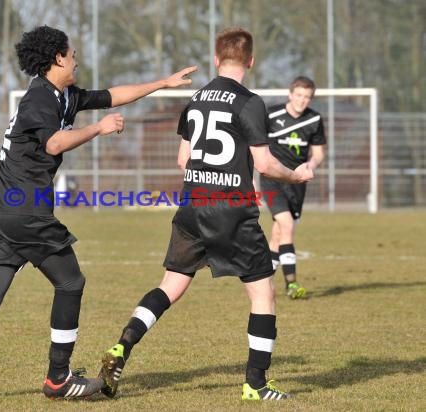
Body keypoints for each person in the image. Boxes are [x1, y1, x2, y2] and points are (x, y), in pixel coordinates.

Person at [0, 25, 197, 399]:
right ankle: (58, 378)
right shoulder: (39, 101)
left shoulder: (62, 95)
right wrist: (98, 128)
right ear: (57, 59)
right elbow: (54, 143)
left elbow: (112, 96)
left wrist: (162, 83)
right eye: (72, 52)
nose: (77, 57)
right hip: (24, 212)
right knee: (71, 282)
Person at [97, 27, 313, 401]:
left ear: (216, 59)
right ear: (251, 61)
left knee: (171, 286)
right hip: (231, 209)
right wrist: (295, 173)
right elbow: (263, 163)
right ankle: (256, 384)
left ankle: (122, 346)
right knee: (263, 292)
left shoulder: (196, 99)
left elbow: (183, 159)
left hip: (193, 205)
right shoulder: (250, 102)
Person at [259, 76, 326, 299]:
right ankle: (292, 284)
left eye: (307, 97)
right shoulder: (271, 114)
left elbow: (318, 154)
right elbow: (256, 145)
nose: (302, 100)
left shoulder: (314, 120)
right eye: (298, 95)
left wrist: (311, 164)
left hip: (298, 183)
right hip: (273, 178)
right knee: (286, 225)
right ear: (290, 94)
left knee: (278, 234)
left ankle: (265, 281)